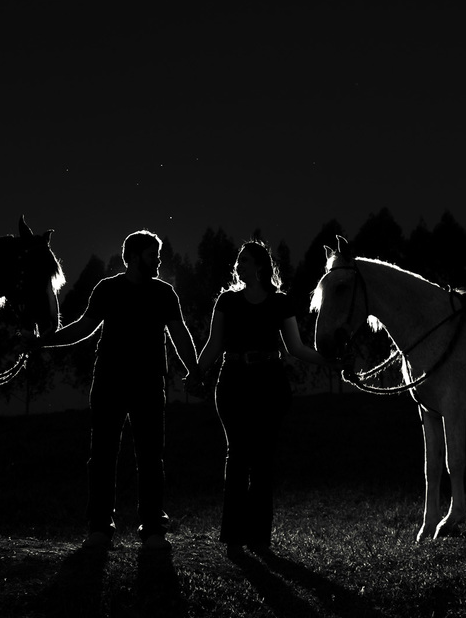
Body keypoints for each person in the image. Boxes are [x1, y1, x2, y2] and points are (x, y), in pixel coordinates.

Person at [41, 230, 203, 551]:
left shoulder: (164, 293)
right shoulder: (108, 289)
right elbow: (84, 327)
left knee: (150, 457)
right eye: (151, 253)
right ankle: (100, 527)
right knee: (102, 455)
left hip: (148, 384)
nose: (158, 259)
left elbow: (180, 334)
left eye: (157, 253)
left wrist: (194, 370)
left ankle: (153, 527)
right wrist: (47, 339)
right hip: (109, 383)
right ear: (133, 256)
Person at [196, 240, 329, 553]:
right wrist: (197, 371)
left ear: (260, 265)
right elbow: (214, 344)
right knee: (238, 457)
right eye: (237, 262)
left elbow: (295, 347)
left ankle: (259, 538)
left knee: (263, 460)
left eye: (244, 261)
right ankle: (233, 538)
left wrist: (328, 361)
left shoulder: (280, 302)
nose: (238, 266)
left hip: (270, 383)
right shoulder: (227, 301)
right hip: (233, 382)